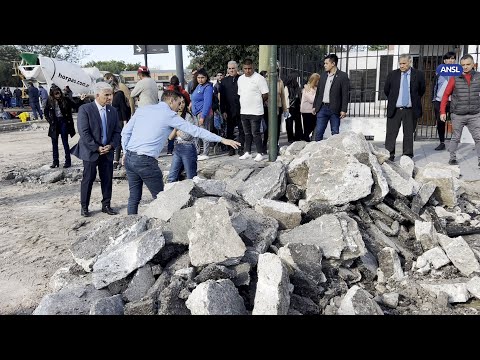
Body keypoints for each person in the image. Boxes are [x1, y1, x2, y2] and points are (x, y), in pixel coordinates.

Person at [121, 90, 240, 215]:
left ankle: (131, 226)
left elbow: (125, 132)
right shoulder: (169, 115)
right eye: (178, 104)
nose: (179, 107)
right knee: (161, 200)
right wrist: (222, 139)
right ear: (171, 101)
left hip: (130, 157)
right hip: (146, 161)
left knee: (134, 198)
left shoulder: (143, 110)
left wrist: (125, 152)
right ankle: (166, 229)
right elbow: (196, 131)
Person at [70, 82, 122, 218]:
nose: (110, 97)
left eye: (111, 94)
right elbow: (84, 132)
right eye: (107, 95)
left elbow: (117, 131)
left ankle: (106, 205)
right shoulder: (85, 109)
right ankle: (84, 207)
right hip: (91, 151)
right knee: (88, 179)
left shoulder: (113, 111)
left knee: (107, 179)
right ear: (97, 95)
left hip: (107, 151)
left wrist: (111, 145)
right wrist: (97, 148)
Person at [384, 53, 426, 161]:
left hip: (410, 110)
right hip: (395, 109)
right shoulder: (392, 74)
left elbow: (421, 90)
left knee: (408, 134)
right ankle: (389, 155)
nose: (401, 66)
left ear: (410, 62)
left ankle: (407, 155)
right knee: (391, 134)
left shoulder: (419, 74)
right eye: (400, 63)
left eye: (404, 63)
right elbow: (387, 90)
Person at [440, 53, 480, 166]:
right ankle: (452, 158)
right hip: (458, 114)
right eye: (463, 65)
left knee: (478, 137)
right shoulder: (454, 78)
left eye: (468, 64)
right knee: (456, 137)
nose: (465, 67)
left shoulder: (478, 76)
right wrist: (442, 111)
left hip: (474, 114)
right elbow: (445, 95)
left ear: (473, 64)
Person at [237, 58, 269, 161]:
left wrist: (258, 102)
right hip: (244, 110)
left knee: (256, 132)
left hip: (256, 111)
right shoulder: (240, 79)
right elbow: (240, 93)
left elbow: (265, 94)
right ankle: (247, 152)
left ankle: (260, 152)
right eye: (245, 68)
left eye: (249, 68)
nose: (247, 71)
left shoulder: (259, 78)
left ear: (253, 67)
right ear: (243, 68)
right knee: (247, 133)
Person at [44, 87, 85, 168]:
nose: (58, 95)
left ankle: (68, 161)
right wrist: (50, 121)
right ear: (52, 94)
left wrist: (81, 100)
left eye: (59, 93)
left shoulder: (65, 99)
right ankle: (55, 161)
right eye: (56, 94)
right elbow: (46, 111)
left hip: (64, 121)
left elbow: (75, 106)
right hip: (54, 123)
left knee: (65, 142)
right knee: (54, 143)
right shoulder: (50, 101)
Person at [312, 53, 349, 141]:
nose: (324, 65)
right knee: (318, 132)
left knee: (335, 133)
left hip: (334, 109)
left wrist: (344, 110)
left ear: (333, 64)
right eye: (324, 63)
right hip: (322, 108)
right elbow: (318, 92)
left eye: (326, 63)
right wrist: (315, 106)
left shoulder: (343, 76)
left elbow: (345, 94)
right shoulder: (323, 75)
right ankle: (317, 151)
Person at [167, 93, 198, 182]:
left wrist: (176, 131)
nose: (181, 105)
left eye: (183, 103)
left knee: (190, 177)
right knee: (172, 176)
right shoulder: (174, 117)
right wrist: (177, 129)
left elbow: (187, 136)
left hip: (188, 148)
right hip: (177, 148)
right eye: (179, 103)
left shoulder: (189, 117)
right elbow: (170, 137)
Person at [219, 60, 245, 156]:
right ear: (227, 70)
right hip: (229, 110)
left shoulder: (242, 79)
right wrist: (223, 110)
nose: (231, 70)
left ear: (237, 69)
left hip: (241, 109)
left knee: (242, 130)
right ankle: (231, 149)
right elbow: (222, 97)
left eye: (233, 68)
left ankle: (241, 149)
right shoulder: (224, 81)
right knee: (229, 130)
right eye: (229, 68)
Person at [432, 51, 456, 151]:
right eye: (448, 59)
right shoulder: (439, 72)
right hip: (439, 101)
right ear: (445, 61)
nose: (450, 60)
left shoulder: (457, 71)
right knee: (440, 122)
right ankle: (442, 142)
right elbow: (435, 85)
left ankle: (454, 144)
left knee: (456, 122)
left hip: (453, 101)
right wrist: (433, 99)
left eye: (452, 58)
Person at [105, 75, 130, 170]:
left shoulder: (119, 94)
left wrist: (125, 122)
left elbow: (123, 109)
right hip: (111, 119)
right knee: (113, 140)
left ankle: (117, 160)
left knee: (119, 139)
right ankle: (114, 159)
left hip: (119, 119)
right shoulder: (110, 96)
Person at [191, 68, 214, 161]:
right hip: (195, 113)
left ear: (206, 78)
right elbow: (194, 97)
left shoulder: (208, 87)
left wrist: (203, 116)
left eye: (202, 77)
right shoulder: (198, 86)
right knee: (196, 133)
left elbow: (207, 103)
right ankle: (197, 151)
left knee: (204, 133)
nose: (200, 79)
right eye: (198, 77)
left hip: (203, 113)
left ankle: (206, 152)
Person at [166, 75, 190, 155]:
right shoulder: (182, 91)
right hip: (181, 112)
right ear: (178, 82)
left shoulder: (168, 91)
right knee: (179, 128)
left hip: (171, 111)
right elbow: (188, 99)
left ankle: (170, 149)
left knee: (171, 130)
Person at [300, 72, 321, 141]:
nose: (319, 82)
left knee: (313, 126)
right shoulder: (307, 88)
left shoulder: (315, 88)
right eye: (317, 80)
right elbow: (312, 100)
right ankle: (305, 140)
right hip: (307, 111)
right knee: (308, 128)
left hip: (313, 111)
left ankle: (309, 139)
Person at [284, 71, 303, 142]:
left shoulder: (297, 86)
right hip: (290, 107)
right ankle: (291, 137)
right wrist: (287, 108)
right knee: (290, 123)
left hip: (296, 106)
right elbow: (286, 97)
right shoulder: (287, 87)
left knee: (297, 122)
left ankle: (297, 136)